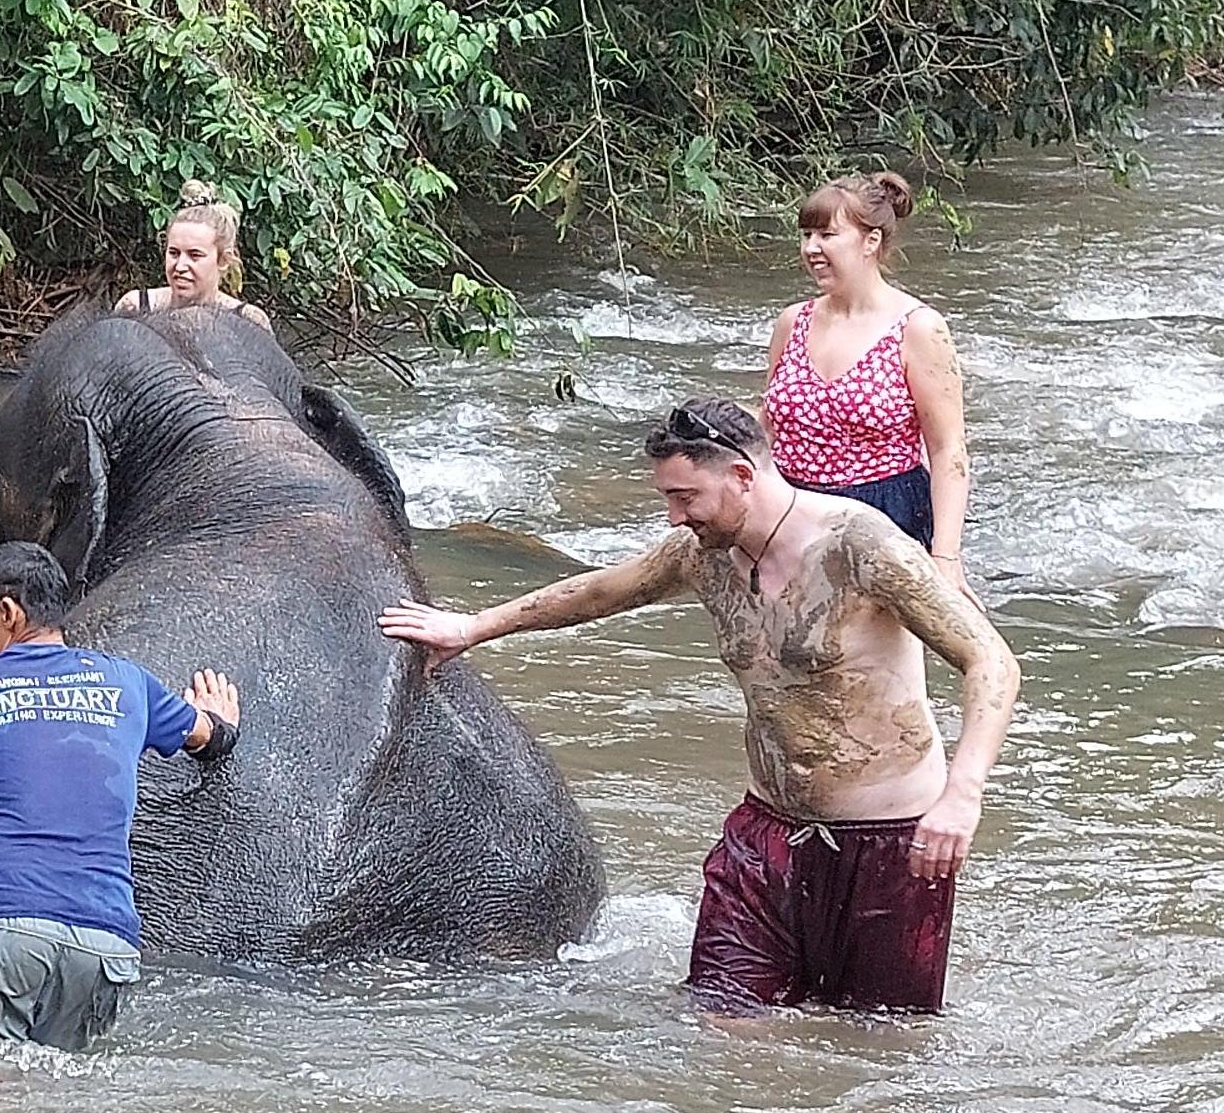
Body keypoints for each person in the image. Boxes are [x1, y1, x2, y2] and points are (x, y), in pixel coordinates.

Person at [380, 397, 1019, 1016]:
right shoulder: (701, 555)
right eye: (668, 499)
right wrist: (472, 628)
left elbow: (991, 661)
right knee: (719, 1017)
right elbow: (602, 591)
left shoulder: (862, 548)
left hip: (890, 843)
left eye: (686, 498)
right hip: (765, 834)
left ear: (743, 476)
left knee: (877, 1043)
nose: (675, 517)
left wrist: (962, 795)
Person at [0, 541, 243, 1048]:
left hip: (0, 926)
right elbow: (209, 740)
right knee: (55, 1102)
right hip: (106, 945)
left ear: (8, 614)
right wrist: (220, 720)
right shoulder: (129, 682)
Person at [761, 165, 969, 580]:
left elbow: (948, 451)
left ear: (871, 241)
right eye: (806, 235)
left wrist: (946, 557)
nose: (811, 248)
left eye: (827, 235)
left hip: (884, 515)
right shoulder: (791, 321)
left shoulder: (918, 329)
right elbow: (768, 423)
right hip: (790, 509)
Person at [121, 187, 267, 325]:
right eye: (174, 253)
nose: (180, 266)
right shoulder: (135, 307)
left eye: (195, 255)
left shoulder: (249, 321)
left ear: (222, 260)